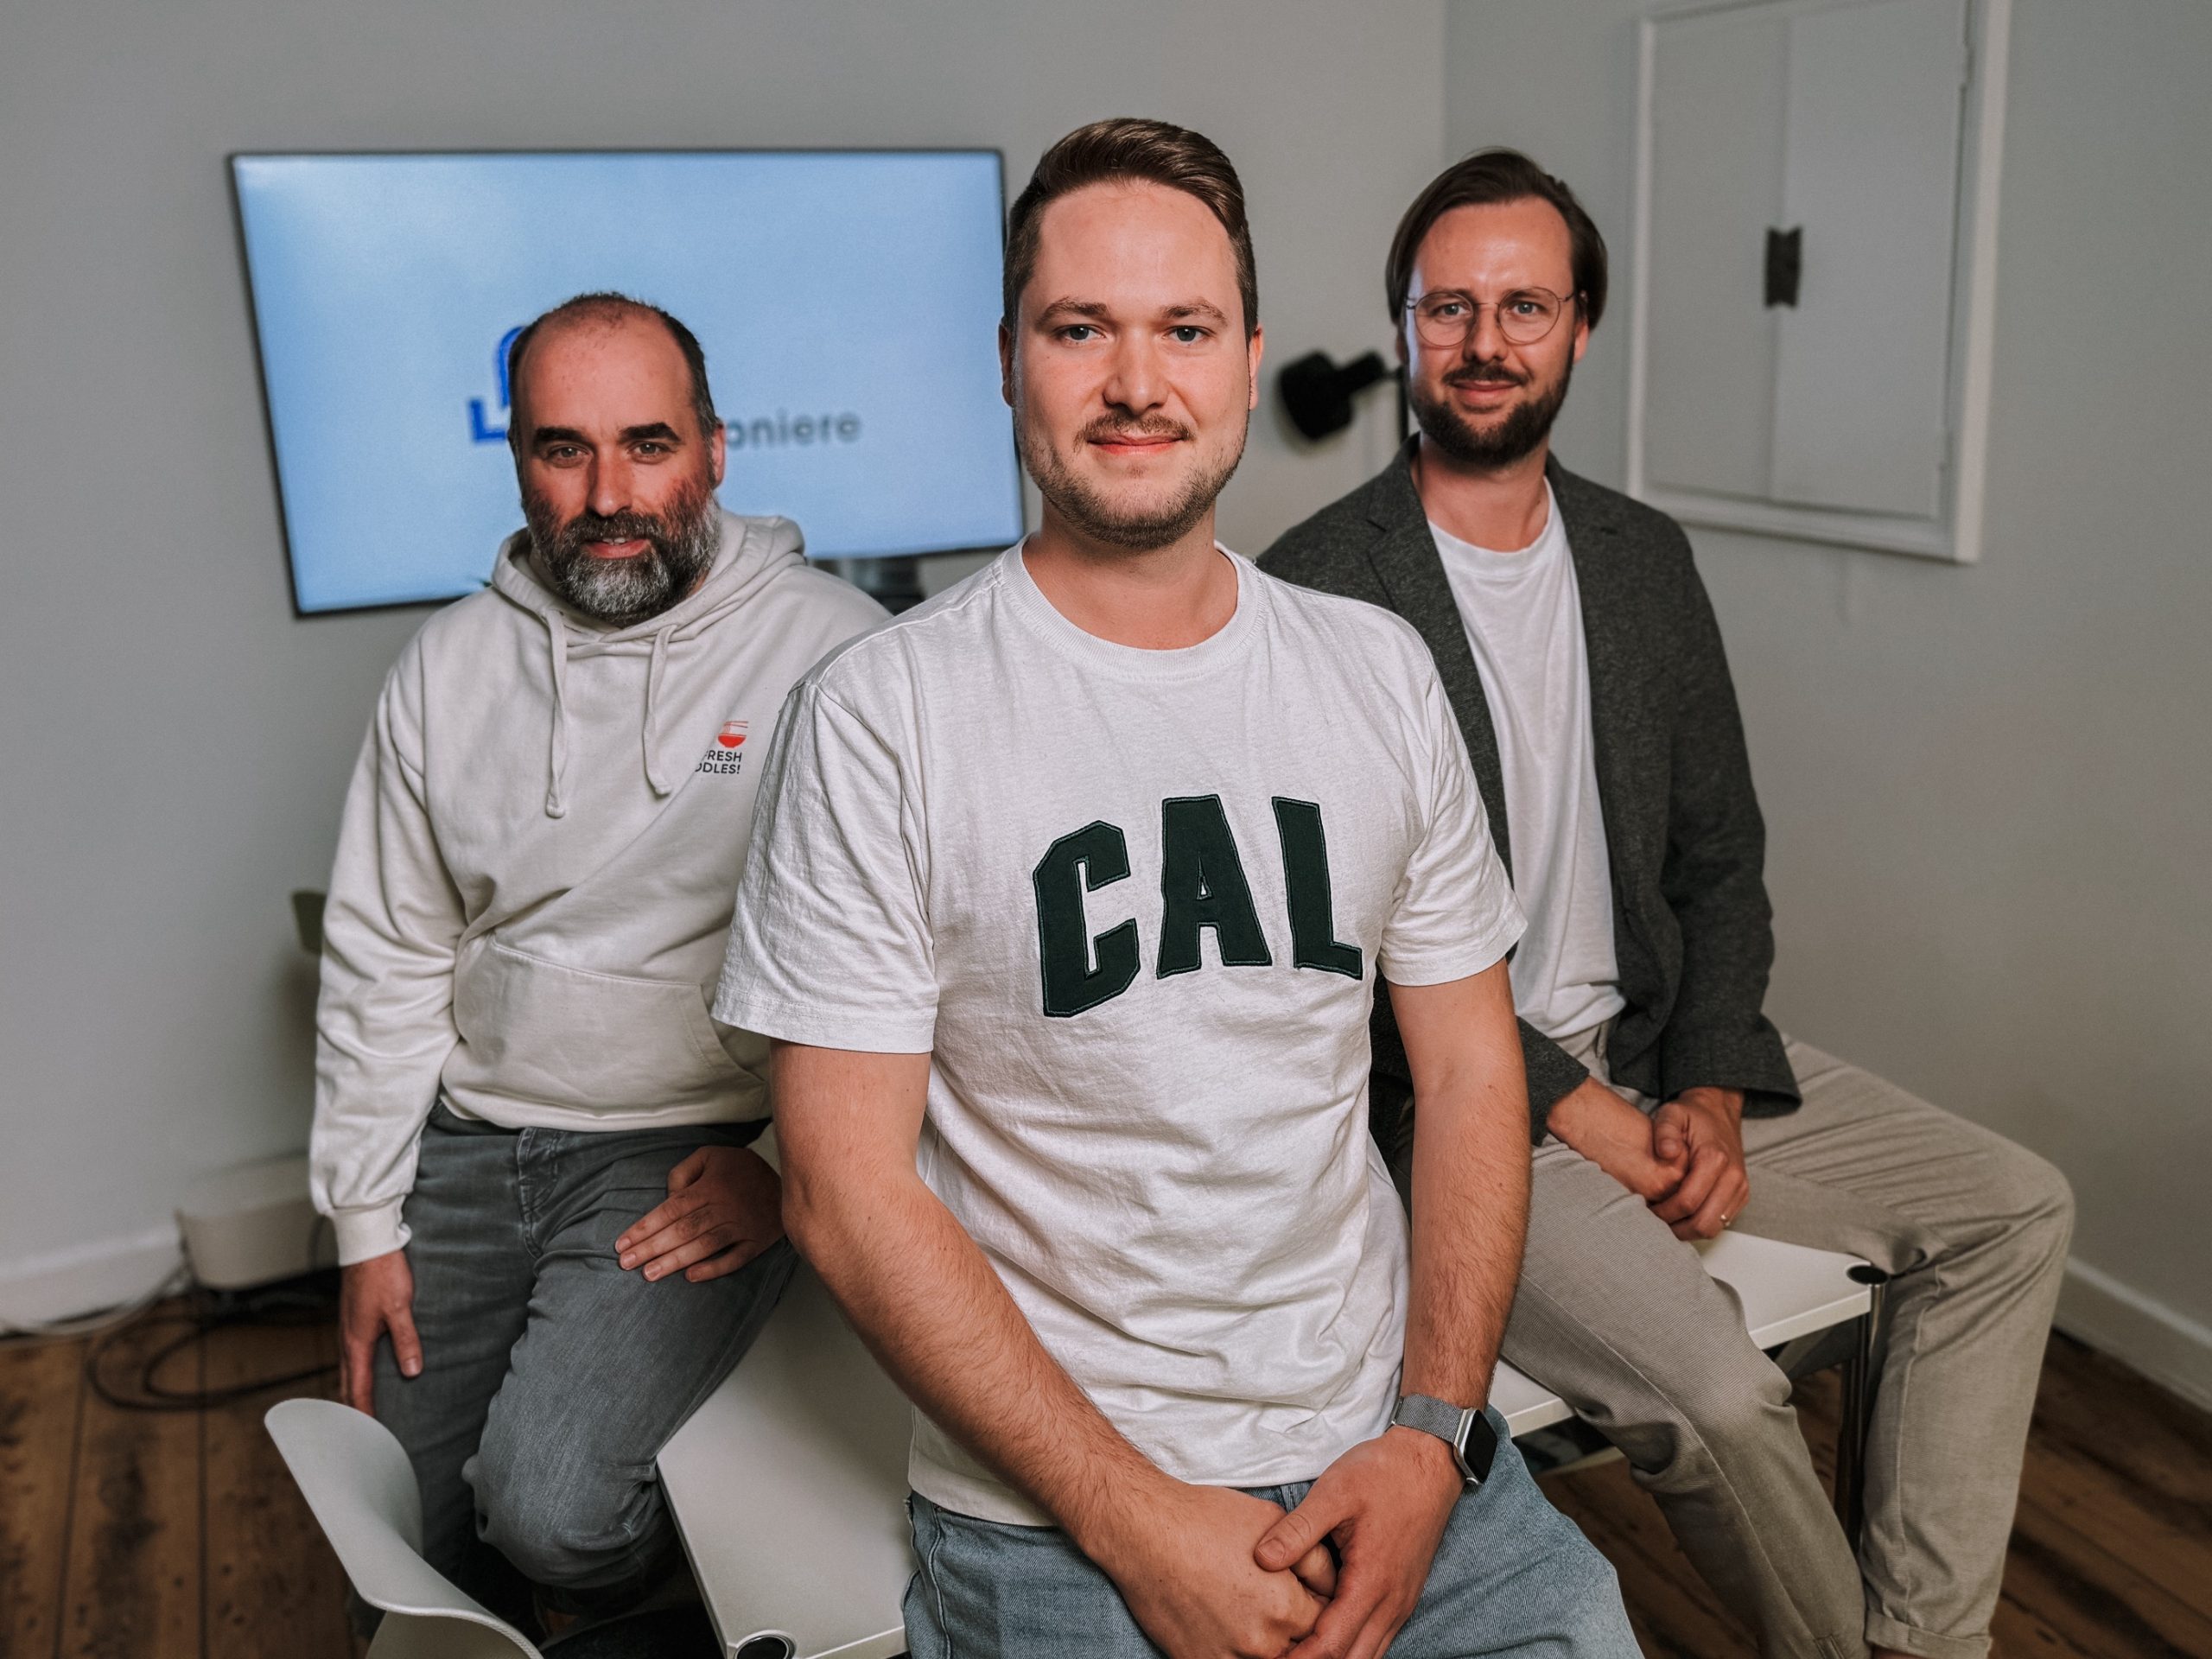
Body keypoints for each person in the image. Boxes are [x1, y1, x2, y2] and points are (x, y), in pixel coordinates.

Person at [715, 118, 1637, 1659]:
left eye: (1185, 331)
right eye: (1081, 330)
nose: (1137, 385)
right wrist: (1135, 1522)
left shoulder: (1376, 671)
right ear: (1008, 357)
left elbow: (1476, 1070)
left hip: (1394, 1459)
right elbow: (842, 1188)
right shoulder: (884, 717)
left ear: (1247, 356)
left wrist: (1433, 1437)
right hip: (1061, 1508)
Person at [1259, 149, 2075, 1659]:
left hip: (1653, 1046)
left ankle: (1919, 1640)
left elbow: (1720, 855)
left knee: (2014, 1209)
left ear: (1582, 330)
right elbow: (1342, 953)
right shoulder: (1315, 592)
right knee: (1716, 1391)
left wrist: (1702, 1081)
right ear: (1400, 332)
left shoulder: (1643, 557)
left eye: (1524, 307)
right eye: (1449, 308)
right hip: (1455, 1106)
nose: (1485, 342)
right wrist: (1593, 1120)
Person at [309, 292, 885, 1630]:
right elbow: (387, 953)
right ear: (517, 460)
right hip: (470, 1138)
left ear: (718, 450)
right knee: (403, 1532)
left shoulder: (840, 656)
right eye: (564, 449)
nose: (609, 492)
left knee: (555, 1517)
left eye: (648, 443)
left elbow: (917, 964)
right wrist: (363, 1224)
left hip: (686, 1146)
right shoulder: (445, 670)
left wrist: (793, 1175)